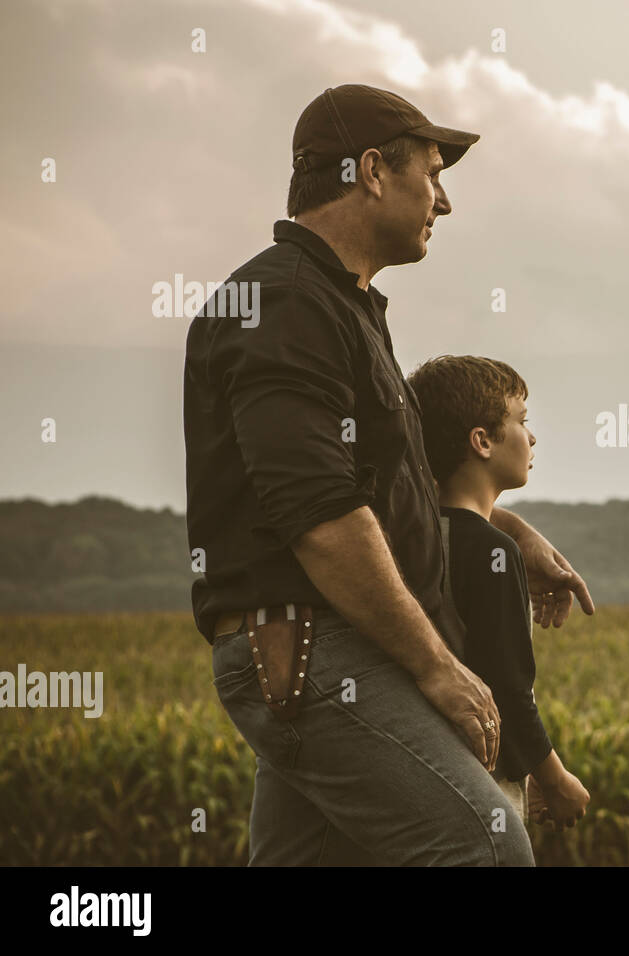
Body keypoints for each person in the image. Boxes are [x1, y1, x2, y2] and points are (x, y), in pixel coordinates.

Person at [182, 84, 594, 865]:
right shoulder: (283, 304)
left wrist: (512, 530)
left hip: (323, 648)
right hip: (321, 653)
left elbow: (391, 491)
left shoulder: (344, 308)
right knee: (490, 846)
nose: (444, 202)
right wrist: (437, 667)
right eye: (433, 175)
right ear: (372, 171)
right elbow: (321, 516)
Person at [407, 355, 591, 833]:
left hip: (424, 769)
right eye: (521, 421)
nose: (531, 438)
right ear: (482, 441)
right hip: (479, 775)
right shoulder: (494, 549)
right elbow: (508, 689)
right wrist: (555, 778)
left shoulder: (412, 540)